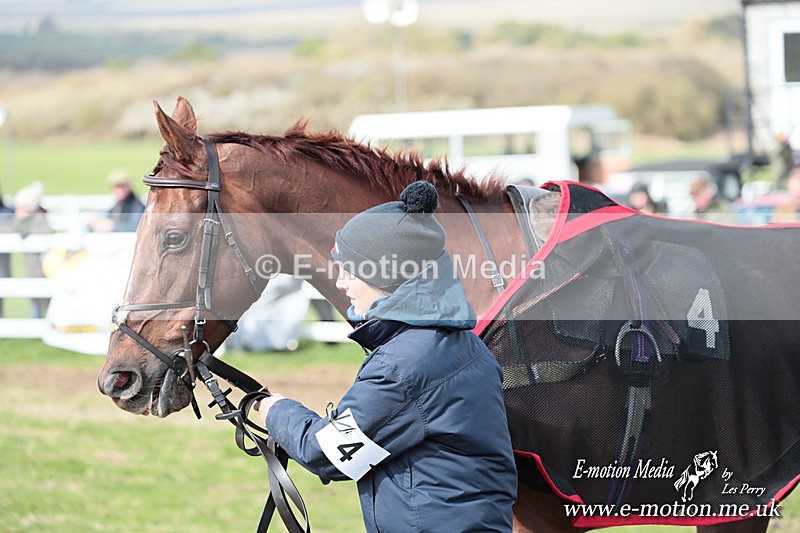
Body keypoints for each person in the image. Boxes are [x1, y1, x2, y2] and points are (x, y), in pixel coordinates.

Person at [256, 181, 517, 532]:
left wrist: (274, 409)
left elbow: (327, 454)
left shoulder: (403, 367)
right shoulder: (465, 345)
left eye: (350, 270)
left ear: (386, 277)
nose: (341, 283)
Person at [0, 181, 54, 318]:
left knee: (48, 307)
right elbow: (6, 229)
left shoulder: (39, 220)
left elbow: (46, 233)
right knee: (35, 306)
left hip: (45, 271)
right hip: (32, 272)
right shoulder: (19, 221)